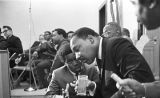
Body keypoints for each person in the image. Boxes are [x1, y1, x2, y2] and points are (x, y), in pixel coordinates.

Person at [70, 27, 155, 98]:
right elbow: (109, 87)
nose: (77, 57)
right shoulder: (100, 54)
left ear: (91, 39)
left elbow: (138, 82)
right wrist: (93, 86)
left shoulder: (116, 45)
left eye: (77, 49)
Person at [116, 0, 160, 98]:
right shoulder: (143, 41)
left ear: (152, 3)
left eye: (135, 4)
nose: (136, 16)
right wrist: (142, 88)